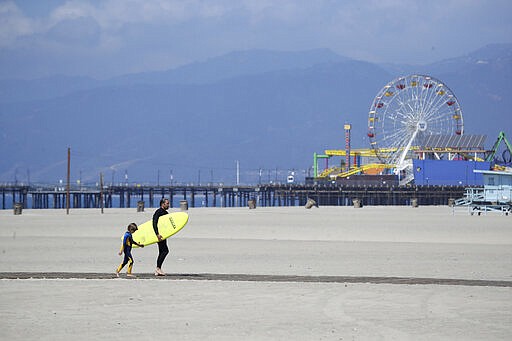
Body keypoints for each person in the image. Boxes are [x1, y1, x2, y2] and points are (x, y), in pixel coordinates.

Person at [153, 198, 170, 276]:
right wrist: (157, 234)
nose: (168, 205)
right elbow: (154, 223)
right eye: (167, 203)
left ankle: (158, 269)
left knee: (162, 251)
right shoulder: (158, 212)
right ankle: (158, 268)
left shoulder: (166, 213)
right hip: (159, 235)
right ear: (163, 204)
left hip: (164, 234)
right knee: (165, 251)